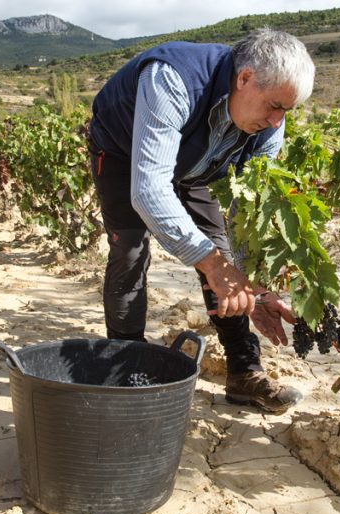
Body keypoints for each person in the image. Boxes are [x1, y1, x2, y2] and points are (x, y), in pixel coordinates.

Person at [88, 27, 315, 414]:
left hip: (199, 166)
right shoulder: (172, 79)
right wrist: (212, 265)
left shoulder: (268, 128)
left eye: (286, 112)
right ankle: (126, 370)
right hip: (125, 154)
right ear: (245, 78)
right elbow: (148, 189)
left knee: (222, 253)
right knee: (130, 251)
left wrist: (253, 287)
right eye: (273, 106)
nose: (278, 122)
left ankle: (245, 372)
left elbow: (246, 214)